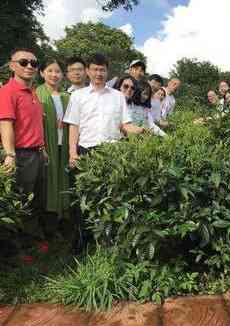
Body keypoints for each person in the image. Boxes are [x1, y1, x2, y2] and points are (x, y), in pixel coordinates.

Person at [63, 53, 144, 166]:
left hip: (114, 151)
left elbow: (126, 124)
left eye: (102, 70)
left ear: (107, 72)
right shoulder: (77, 96)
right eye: (95, 69)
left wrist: (142, 131)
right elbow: (74, 126)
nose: (99, 73)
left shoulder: (118, 96)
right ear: (87, 71)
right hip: (86, 150)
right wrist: (72, 153)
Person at [0, 48, 45, 198]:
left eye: (33, 63)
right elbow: (5, 124)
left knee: (35, 200)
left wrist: (42, 148)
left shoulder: (32, 91)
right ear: (12, 66)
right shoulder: (7, 91)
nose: (29, 66)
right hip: (21, 155)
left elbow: (34, 124)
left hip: (36, 154)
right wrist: (10, 155)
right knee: (22, 203)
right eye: (23, 62)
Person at [36, 59, 71, 221]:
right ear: (42, 73)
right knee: (47, 182)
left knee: (63, 177)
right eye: (50, 71)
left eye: (57, 71)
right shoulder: (36, 94)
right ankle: (48, 217)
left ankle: (63, 214)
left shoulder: (66, 97)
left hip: (62, 144)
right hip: (45, 145)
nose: (54, 74)